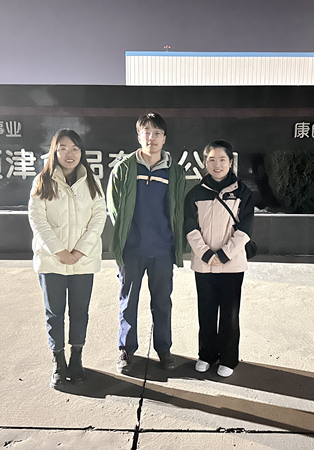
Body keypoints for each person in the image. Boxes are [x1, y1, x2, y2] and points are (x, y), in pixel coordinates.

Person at [107, 112, 186, 374]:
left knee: (162, 302)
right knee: (128, 302)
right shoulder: (124, 168)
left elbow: (177, 209)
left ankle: (164, 348)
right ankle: (126, 349)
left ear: (164, 138)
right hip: (132, 249)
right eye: (146, 132)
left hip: (163, 249)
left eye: (157, 133)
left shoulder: (174, 171)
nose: (152, 138)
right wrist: (127, 237)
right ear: (139, 136)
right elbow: (114, 208)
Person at [28, 129, 106, 389]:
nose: (69, 154)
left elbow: (99, 217)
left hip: (83, 261)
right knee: (54, 313)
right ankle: (58, 362)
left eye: (75, 148)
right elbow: (37, 220)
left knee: (80, 312)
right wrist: (59, 251)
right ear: (55, 151)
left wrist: (80, 251)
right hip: (52, 262)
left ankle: (76, 358)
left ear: (82, 152)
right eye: (63, 148)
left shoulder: (91, 182)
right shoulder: (43, 181)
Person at [183, 140, 254, 378]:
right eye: (212, 160)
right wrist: (206, 254)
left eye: (222, 159)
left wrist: (223, 255)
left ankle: (228, 358)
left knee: (229, 314)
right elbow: (190, 227)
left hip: (232, 265)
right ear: (205, 163)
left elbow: (245, 230)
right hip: (203, 265)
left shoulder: (243, 192)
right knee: (206, 311)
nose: (217, 164)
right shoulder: (195, 193)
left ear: (230, 162)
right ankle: (206, 355)